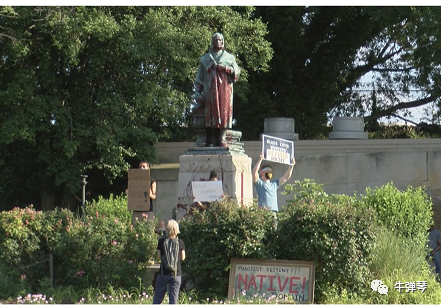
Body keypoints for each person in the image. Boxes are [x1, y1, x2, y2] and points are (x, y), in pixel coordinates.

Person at [194, 32, 240, 147]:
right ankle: (211, 138)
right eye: (216, 40)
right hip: (210, 90)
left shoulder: (229, 57)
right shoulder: (205, 59)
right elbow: (199, 78)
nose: (218, 41)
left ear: (223, 41)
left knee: (224, 114)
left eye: (220, 39)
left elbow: (237, 72)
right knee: (211, 113)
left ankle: (222, 137)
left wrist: (225, 68)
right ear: (212, 42)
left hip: (225, 90)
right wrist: (197, 92)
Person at [153, 219, 186, 304]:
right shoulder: (180, 242)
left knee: (157, 299)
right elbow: (183, 258)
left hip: (163, 273)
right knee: (173, 301)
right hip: (176, 274)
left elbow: (159, 257)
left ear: (166, 229)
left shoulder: (161, 241)